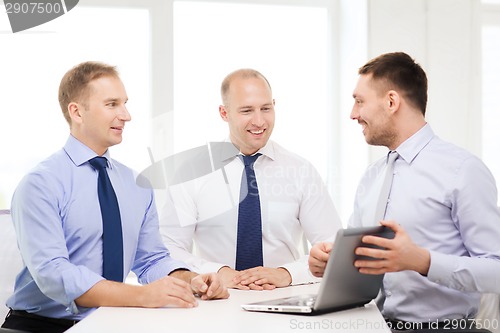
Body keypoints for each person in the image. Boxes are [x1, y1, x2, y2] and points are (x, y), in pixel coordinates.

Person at [2, 62, 228, 333]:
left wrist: (190, 280)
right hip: (40, 326)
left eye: (125, 103)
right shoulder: (40, 184)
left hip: (111, 322)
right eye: (112, 104)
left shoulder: (135, 184)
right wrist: (141, 296)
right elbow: (53, 273)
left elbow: (151, 259)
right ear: (76, 112)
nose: (126, 115)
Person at [308, 52, 500, 330]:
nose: (353, 114)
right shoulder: (371, 177)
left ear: (391, 101)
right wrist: (330, 263)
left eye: (359, 101)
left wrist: (422, 261)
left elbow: (496, 269)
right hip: (373, 324)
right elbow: (358, 261)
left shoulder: (463, 170)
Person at [160, 68, 342, 290]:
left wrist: (287, 274)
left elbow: (332, 248)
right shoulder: (191, 172)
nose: (259, 121)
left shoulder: (301, 171)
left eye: (266, 108)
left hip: (284, 301)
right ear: (224, 113)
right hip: (215, 302)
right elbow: (169, 248)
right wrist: (217, 271)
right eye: (247, 110)